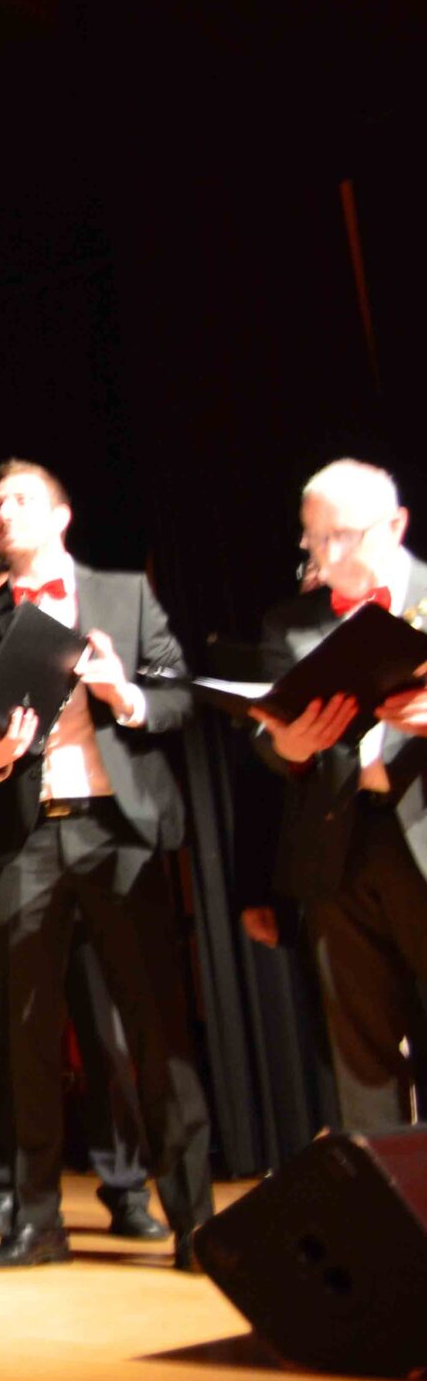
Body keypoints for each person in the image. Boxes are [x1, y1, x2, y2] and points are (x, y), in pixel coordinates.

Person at [0, 460, 211, 1271]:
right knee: (24, 1033)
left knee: (154, 1028)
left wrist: (125, 694)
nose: (3, 512)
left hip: (117, 830)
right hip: (27, 837)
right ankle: (35, 1223)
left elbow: (180, 695)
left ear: (62, 517)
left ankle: (195, 1223)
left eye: (20, 499)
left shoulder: (125, 596)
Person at [243, 459, 426, 1134]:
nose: (325, 554)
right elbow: (268, 735)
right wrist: (288, 746)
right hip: (340, 844)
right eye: (313, 537)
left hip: (422, 828)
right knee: (361, 1050)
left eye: (342, 536)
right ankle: (387, 1196)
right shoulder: (289, 624)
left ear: (396, 525)